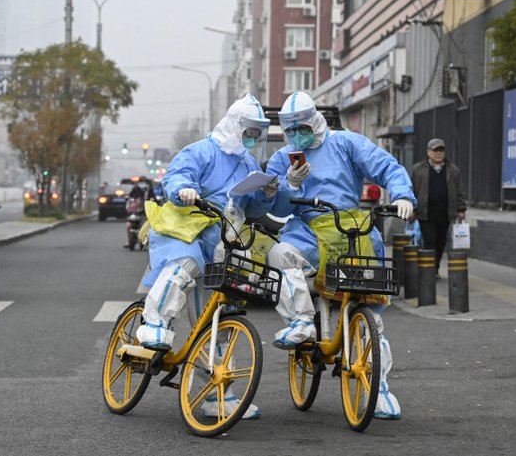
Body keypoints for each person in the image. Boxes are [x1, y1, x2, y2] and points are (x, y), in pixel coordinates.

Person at [264, 91, 415, 420]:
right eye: (290, 131)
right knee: (281, 253)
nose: (297, 136)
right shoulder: (283, 157)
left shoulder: (347, 143)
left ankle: (381, 388)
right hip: (307, 230)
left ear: (315, 120)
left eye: (301, 128)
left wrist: (403, 195)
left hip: (351, 229)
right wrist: (288, 186)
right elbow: (273, 208)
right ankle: (301, 322)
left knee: (371, 319)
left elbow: (386, 166)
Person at [135, 94, 280, 419]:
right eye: (250, 130)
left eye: (258, 132)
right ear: (235, 125)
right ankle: (154, 325)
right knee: (185, 266)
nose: (253, 138)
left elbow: (252, 208)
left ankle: (217, 394)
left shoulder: (249, 163)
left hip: (222, 241)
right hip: (184, 228)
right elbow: (175, 177)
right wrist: (184, 189)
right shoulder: (202, 150)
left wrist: (268, 195)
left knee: (216, 321)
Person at [409, 138, 467, 278]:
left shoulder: (453, 170)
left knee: (441, 242)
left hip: (445, 213)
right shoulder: (418, 170)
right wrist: (411, 209)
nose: (438, 153)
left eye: (441, 150)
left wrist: (461, 209)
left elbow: (460, 191)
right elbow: (411, 190)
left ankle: (434, 266)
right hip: (426, 213)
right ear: (428, 152)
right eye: (435, 150)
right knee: (430, 241)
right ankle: (430, 270)